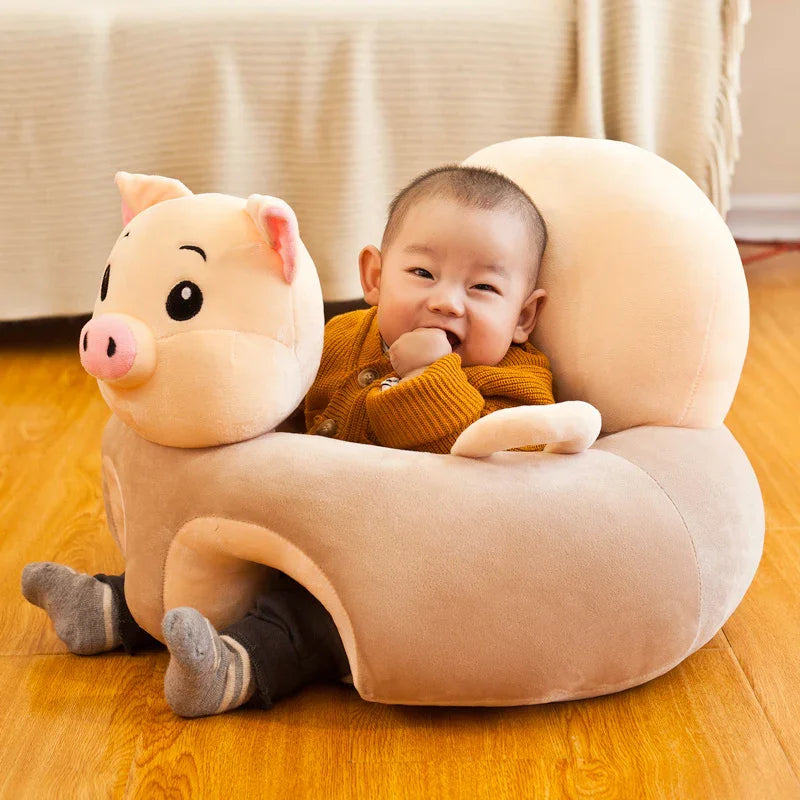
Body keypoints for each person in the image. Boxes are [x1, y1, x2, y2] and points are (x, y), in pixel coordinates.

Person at [23, 164, 555, 717]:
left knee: (304, 618)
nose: (447, 301)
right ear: (374, 276)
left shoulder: (514, 381)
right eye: (422, 272)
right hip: (288, 532)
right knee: (208, 568)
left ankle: (233, 671)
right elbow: (280, 404)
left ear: (524, 315)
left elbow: (508, 478)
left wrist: (429, 380)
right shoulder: (340, 337)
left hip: (379, 573)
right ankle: (115, 607)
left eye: (484, 287)